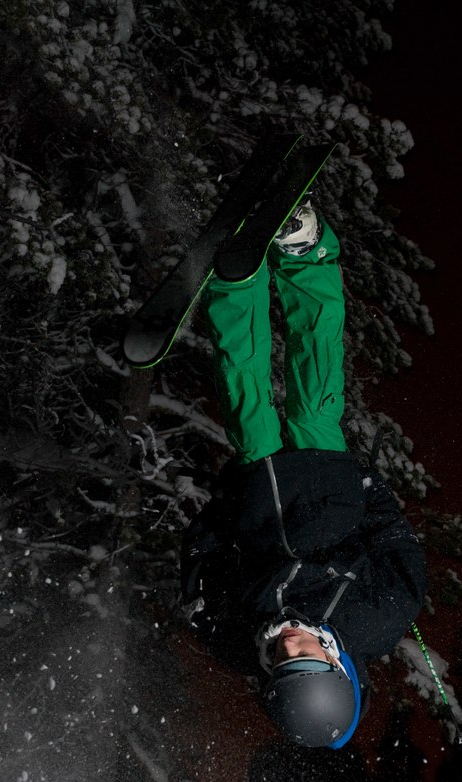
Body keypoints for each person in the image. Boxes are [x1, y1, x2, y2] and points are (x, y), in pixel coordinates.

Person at [180, 200, 426, 749]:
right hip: (329, 486)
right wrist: (371, 491)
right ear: (337, 664)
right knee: (316, 391)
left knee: (245, 395)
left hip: (259, 486)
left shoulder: (235, 636)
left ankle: (237, 284)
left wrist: (224, 510)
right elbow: (399, 549)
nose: (289, 644)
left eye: (281, 662)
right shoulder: (375, 619)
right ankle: (306, 254)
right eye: (306, 657)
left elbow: (200, 566)